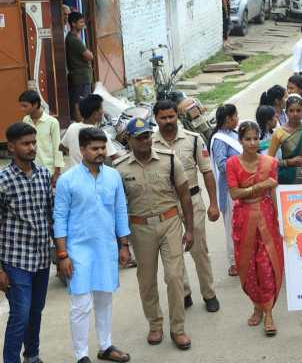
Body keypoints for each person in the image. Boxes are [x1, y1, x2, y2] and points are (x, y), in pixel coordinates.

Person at [113, 118, 194, 350]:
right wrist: (123, 243)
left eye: (148, 135)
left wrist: (190, 229)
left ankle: (178, 329)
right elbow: (119, 207)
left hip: (169, 222)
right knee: (146, 280)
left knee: (175, 276)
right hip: (140, 228)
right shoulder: (119, 169)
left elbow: (185, 196)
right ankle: (155, 324)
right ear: (128, 139)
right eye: (139, 137)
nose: (145, 140)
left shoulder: (169, 160)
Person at [54, 127, 131, 363]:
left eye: (102, 148)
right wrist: (63, 254)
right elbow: (59, 217)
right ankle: (81, 355)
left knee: (104, 300)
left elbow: (120, 211)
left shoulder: (113, 176)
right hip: (78, 250)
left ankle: (105, 346)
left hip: (105, 247)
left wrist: (124, 245)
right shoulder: (68, 180)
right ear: (82, 150)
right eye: (95, 148)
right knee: (80, 304)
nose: (100, 152)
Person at [152, 100, 221, 313]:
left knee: (199, 250)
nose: (168, 121)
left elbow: (207, 171)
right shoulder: (150, 143)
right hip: (166, 205)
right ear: (156, 119)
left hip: (193, 201)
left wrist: (214, 204)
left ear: (177, 116)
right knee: (173, 253)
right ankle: (184, 293)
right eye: (163, 118)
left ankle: (209, 294)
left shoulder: (193, 140)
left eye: (171, 116)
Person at [0, 123, 53, 363]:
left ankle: (32, 355)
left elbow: (51, 215)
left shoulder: (43, 174)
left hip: (41, 259)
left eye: (34, 142)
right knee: (20, 314)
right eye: (26, 143)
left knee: (35, 312)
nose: (32, 147)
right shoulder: (3, 180)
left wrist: (60, 252)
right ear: (11, 147)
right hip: (15, 260)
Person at [226, 121, 284, 336]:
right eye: (247, 138)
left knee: (267, 264)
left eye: (255, 138)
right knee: (247, 266)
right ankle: (256, 306)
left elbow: (274, 193)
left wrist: (280, 221)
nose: (252, 143)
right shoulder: (232, 163)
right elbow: (234, 194)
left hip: (266, 218)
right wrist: (260, 186)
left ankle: (269, 313)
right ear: (240, 141)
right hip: (244, 219)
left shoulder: (270, 162)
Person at [210, 104, 241, 277]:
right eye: (235, 116)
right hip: (230, 188)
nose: (237, 119)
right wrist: (242, 165)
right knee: (232, 225)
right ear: (228, 118)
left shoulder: (235, 134)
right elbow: (222, 165)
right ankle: (234, 261)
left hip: (244, 186)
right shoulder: (220, 139)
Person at [268, 94, 302, 185]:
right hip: (288, 177)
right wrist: (288, 162)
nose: (295, 114)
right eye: (291, 111)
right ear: (286, 112)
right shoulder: (278, 133)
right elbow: (269, 161)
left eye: (298, 110)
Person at [60, 94, 119, 168]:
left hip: (75, 175)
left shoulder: (72, 127)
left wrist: (74, 152)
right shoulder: (100, 133)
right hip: (93, 176)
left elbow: (61, 147)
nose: (103, 111)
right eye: (101, 108)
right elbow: (115, 158)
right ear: (95, 113)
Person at [19, 90, 64, 186]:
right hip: (29, 169)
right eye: (21, 106)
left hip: (48, 170)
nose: (22, 109)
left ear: (35, 104)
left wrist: (57, 172)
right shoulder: (25, 120)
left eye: (25, 106)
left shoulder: (52, 122)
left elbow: (57, 148)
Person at [66, 12, 94, 122]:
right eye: (81, 22)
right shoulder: (73, 40)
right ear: (73, 24)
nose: (83, 24)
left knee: (82, 101)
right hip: (80, 76)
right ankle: (80, 124)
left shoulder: (75, 38)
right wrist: (90, 53)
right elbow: (89, 56)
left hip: (82, 76)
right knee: (79, 102)